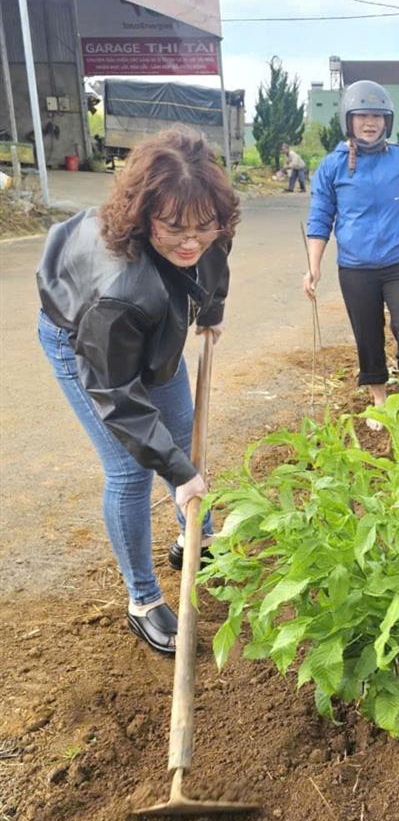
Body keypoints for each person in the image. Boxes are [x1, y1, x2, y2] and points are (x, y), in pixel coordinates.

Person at [36, 130, 240, 657]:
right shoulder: (119, 295)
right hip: (82, 340)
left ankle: (198, 541)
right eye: (174, 229)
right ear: (146, 217)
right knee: (132, 468)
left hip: (156, 324)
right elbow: (119, 395)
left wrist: (210, 313)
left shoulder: (205, 224)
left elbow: (213, 261)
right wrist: (176, 472)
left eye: (203, 227)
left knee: (182, 440)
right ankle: (144, 600)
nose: (192, 241)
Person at [303, 80, 399, 423]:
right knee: (368, 333)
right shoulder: (332, 166)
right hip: (355, 267)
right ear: (348, 120)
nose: (370, 122)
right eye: (362, 115)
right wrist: (313, 266)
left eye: (378, 116)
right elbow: (320, 218)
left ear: (387, 121)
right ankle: (380, 403)